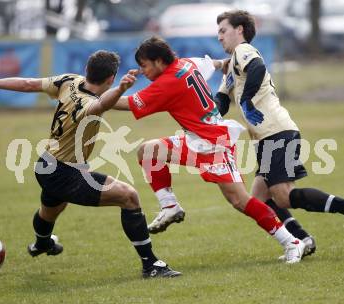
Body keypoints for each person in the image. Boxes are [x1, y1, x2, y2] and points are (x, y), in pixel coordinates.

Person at [0, 50, 181, 278]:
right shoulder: (88, 104)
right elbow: (100, 106)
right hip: (64, 172)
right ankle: (151, 266)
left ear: (87, 70)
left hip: (47, 164)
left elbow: (29, 83)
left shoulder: (70, 81)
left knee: (50, 211)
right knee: (129, 197)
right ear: (110, 78)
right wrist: (121, 89)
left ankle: (42, 244)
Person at [112, 36, 307, 264]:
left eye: (144, 65)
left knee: (240, 200)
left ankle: (292, 242)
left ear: (158, 61)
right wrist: (223, 63)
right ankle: (170, 205)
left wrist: (97, 96)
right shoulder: (187, 64)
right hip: (196, 141)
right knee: (148, 151)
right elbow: (211, 64)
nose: (142, 71)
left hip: (215, 145)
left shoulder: (167, 83)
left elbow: (127, 103)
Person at [213, 9, 344, 260]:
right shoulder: (233, 66)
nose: (220, 37)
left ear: (239, 30)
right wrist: (206, 108)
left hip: (276, 132)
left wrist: (245, 100)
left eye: (223, 31)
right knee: (259, 199)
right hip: (267, 136)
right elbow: (221, 102)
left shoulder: (243, 52)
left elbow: (257, 67)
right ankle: (302, 240)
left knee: (283, 196)